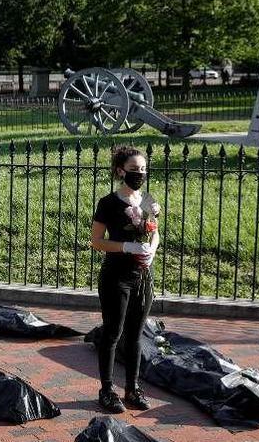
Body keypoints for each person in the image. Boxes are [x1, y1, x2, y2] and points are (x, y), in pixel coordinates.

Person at [90, 146, 161, 414]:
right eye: (134, 170)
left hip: (143, 277)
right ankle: (106, 390)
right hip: (116, 277)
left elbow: (154, 233)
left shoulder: (147, 201)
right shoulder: (108, 203)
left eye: (143, 169)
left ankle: (132, 388)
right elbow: (96, 241)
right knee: (112, 334)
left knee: (136, 336)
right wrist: (127, 248)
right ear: (121, 171)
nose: (140, 174)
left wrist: (151, 251)